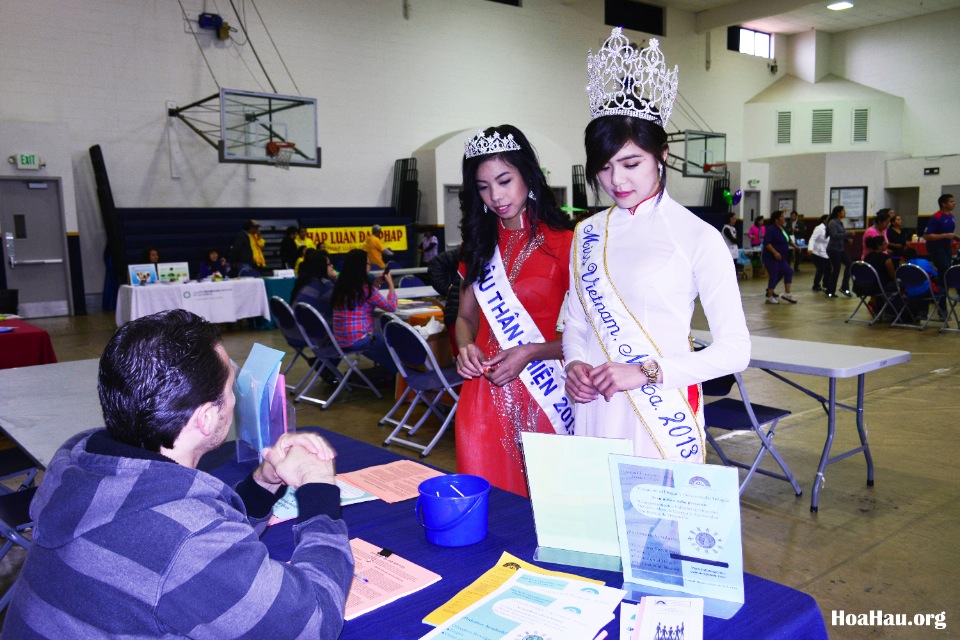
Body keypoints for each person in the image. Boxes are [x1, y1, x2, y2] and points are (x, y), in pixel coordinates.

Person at [2, 310, 353, 639]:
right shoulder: (183, 540)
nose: (233, 400)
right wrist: (319, 490)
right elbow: (313, 621)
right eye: (230, 390)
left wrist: (264, 481)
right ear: (206, 418)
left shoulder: (80, 460)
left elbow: (182, 542)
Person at [563, 29, 750, 462]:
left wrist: (645, 372)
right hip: (593, 406)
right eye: (605, 168)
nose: (617, 181)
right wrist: (573, 365)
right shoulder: (587, 233)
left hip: (659, 411)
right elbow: (575, 323)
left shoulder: (698, 237)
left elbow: (736, 350)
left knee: (655, 525)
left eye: (631, 163)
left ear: (662, 155)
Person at [454, 124, 573, 496]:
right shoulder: (477, 246)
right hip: (483, 396)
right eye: (484, 187)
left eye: (504, 181)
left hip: (548, 394)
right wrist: (464, 346)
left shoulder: (568, 244)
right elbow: (465, 317)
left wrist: (531, 352)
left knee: (549, 502)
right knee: (485, 500)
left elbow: (589, 335)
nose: (496, 196)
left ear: (528, 175)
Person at [331, 248, 397, 373]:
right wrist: (391, 285)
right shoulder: (366, 289)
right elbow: (392, 307)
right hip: (359, 340)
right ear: (361, 266)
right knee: (393, 345)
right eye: (368, 264)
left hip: (341, 340)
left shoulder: (341, 285)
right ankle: (401, 377)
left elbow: (363, 302)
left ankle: (390, 374)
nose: (370, 266)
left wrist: (376, 285)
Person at [427, 246, 462, 356]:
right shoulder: (472, 249)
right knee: (466, 361)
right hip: (458, 314)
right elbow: (435, 264)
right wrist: (447, 288)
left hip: (475, 316)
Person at [762, 210, 798, 304]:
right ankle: (769, 297)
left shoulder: (783, 228)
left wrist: (796, 247)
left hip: (782, 258)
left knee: (788, 271)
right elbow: (767, 243)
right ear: (776, 219)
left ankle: (787, 293)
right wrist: (775, 252)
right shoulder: (771, 229)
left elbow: (788, 240)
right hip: (771, 257)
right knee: (774, 275)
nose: (784, 218)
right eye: (782, 217)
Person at [292, 250, 337, 323]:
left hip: (301, 328)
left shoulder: (306, 282)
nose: (332, 266)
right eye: (329, 264)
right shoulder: (324, 286)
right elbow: (344, 302)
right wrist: (336, 279)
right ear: (322, 267)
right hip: (318, 329)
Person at [923, 194, 957, 282]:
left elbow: (950, 234)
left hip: (946, 247)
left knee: (948, 269)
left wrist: (955, 238)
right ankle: (941, 290)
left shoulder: (951, 217)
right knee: (944, 269)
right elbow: (926, 236)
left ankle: (945, 289)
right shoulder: (936, 217)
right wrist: (945, 235)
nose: (954, 203)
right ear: (944, 204)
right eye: (951, 201)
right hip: (936, 248)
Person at [825, 205, 853, 298]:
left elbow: (841, 235)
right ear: (838, 213)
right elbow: (834, 235)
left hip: (840, 249)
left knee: (849, 264)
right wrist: (848, 234)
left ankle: (844, 287)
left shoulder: (840, 222)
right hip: (833, 249)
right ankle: (830, 291)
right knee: (836, 269)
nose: (845, 213)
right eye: (843, 211)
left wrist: (847, 239)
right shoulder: (832, 223)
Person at [809, 214, 832, 292]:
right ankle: (816, 285)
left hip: (826, 252)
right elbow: (812, 239)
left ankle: (826, 284)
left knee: (829, 268)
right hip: (817, 252)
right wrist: (810, 249)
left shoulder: (829, 228)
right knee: (821, 269)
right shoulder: (819, 228)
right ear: (824, 220)